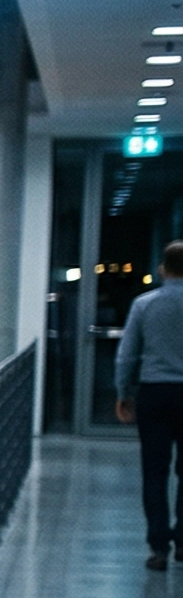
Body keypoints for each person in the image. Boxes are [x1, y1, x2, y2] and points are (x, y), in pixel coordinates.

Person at [114, 239, 183, 571]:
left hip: (154, 392)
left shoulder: (144, 304)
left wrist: (122, 391)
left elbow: (127, 354)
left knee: (154, 472)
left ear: (162, 269)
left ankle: (159, 547)